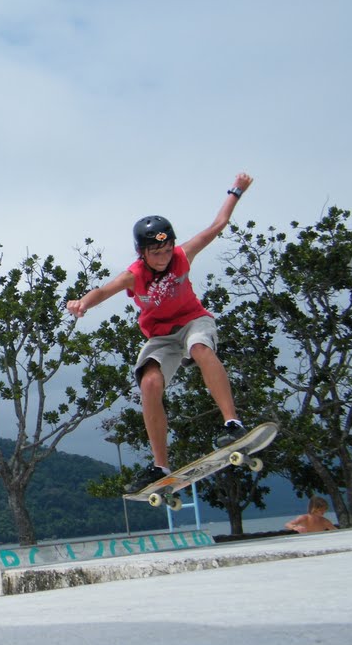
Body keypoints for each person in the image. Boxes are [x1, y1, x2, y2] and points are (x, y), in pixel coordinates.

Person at [66, 173, 254, 493]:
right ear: (142, 252)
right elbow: (104, 290)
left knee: (200, 349)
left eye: (166, 250)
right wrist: (82, 302)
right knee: (149, 382)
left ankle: (232, 423)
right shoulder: (133, 275)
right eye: (156, 253)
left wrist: (236, 191)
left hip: (195, 320)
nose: (164, 257)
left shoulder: (182, 255)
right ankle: (160, 465)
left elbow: (217, 225)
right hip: (162, 338)